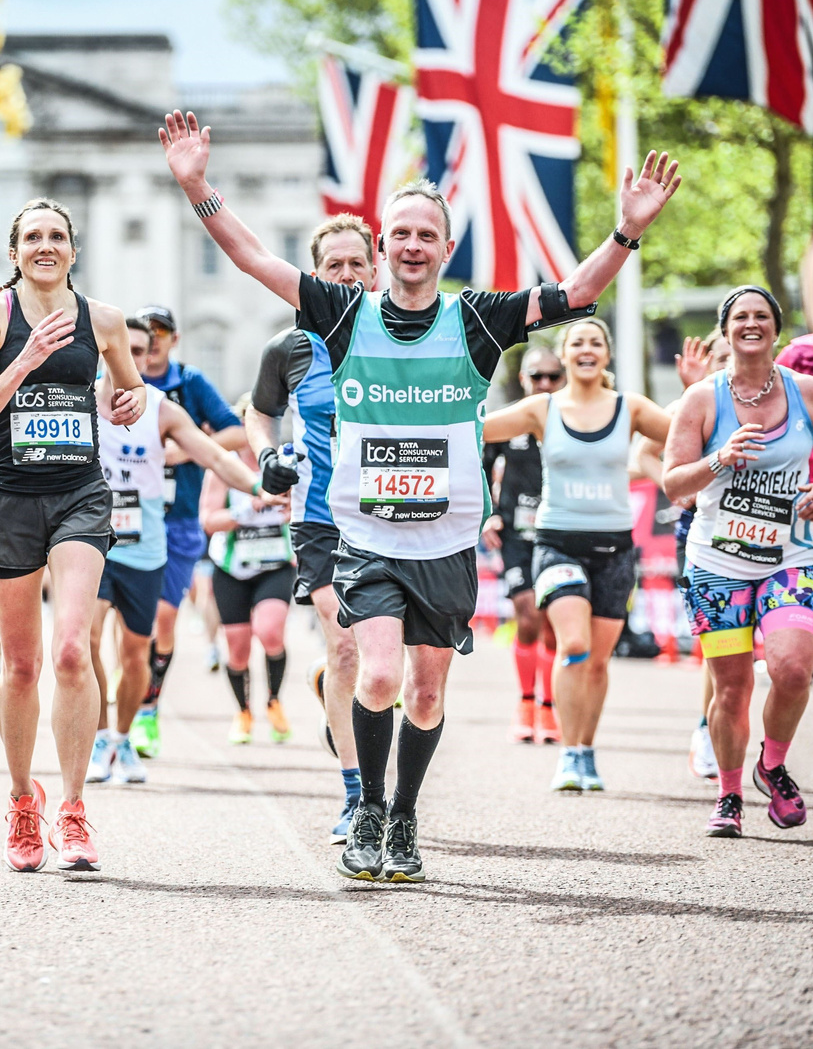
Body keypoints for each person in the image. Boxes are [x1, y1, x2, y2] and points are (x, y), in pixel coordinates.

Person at [159, 107, 680, 881]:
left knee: (427, 692)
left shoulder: (475, 319)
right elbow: (254, 259)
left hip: (445, 541)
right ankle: (367, 806)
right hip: (364, 535)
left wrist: (627, 231)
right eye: (398, 233)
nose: (410, 246)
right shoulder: (341, 314)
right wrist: (198, 186)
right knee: (374, 673)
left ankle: (404, 816)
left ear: (443, 248)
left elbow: (573, 292)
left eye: (424, 235)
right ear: (381, 247)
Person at [0, 198, 146, 873]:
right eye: (33, 236)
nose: (45, 245)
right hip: (9, 498)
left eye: (57, 235)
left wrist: (129, 398)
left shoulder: (104, 320)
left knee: (69, 649)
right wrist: (25, 358)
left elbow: (130, 388)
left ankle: (74, 806)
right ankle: (22, 799)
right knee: (23, 664)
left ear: (73, 248)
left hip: (79, 495)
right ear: (15, 251)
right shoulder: (1, 314)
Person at [484, 319, 670, 792]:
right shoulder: (541, 408)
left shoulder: (632, 408)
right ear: (565, 355)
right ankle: (567, 753)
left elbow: (691, 432)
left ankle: (586, 750)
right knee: (573, 647)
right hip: (557, 542)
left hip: (615, 548)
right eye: (578, 343)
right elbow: (475, 429)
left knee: (598, 663)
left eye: (596, 343)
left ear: (606, 355)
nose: (587, 349)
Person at [86, 321, 273, 785]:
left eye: (138, 351)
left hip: (143, 546)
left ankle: (121, 738)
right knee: (81, 644)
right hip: (89, 540)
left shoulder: (162, 410)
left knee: (135, 653)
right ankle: (96, 736)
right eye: (119, 348)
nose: (126, 358)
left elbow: (214, 454)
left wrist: (259, 487)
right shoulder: (81, 400)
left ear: (150, 357)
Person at [245, 213, 377, 843]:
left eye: (357, 264)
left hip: (397, 514)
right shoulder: (291, 346)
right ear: (316, 276)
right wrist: (267, 455)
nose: (347, 276)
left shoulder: (408, 336)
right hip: (321, 516)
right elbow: (259, 412)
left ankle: (333, 685)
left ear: (375, 269)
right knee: (347, 643)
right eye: (334, 267)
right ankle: (358, 795)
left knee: (385, 663)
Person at [664, 285, 813, 838]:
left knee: (793, 668)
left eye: (762, 316)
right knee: (730, 689)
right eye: (740, 317)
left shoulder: (804, 392)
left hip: (790, 556)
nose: (751, 324)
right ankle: (728, 794)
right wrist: (719, 458)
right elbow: (673, 482)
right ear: (726, 331)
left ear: (777, 328)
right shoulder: (702, 400)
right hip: (717, 563)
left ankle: (771, 765)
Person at [130, 304, 245, 759]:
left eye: (161, 332)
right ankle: (115, 714)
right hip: (122, 516)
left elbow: (235, 433)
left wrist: (185, 451)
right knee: (117, 627)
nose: (153, 339)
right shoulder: (119, 379)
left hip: (176, 518)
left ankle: (147, 709)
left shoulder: (189, 383)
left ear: (174, 339)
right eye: (145, 332)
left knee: (162, 619)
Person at [637, 331, 731, 780]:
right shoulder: (694, 403)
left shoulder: (772, 402)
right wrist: (681, 490)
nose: (729, 363)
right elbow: (643, 456)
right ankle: (707, 726)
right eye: (721, 356)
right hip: (700, 532)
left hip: (762, 534)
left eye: (734, 355)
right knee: (722, 640)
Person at [200, 395, 294, 745]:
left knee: (270, 633)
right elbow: (208, 520)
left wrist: (289, 511)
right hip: (232, 568)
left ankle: (273, 701)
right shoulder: (224, 467)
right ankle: (243, 712)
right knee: (237, 649)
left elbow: (304, 507)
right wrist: (247, 510)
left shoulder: (285, 463)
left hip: (275, 564)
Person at [481, 345, 564, 744]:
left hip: (558, 532)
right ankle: (526, 702)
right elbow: (478, 465)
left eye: (553, 376)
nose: (544, 383)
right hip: (516, 531)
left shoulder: (570, 419)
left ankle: (549, 708)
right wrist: (487, 514)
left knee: (550, 621)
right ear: (523, 379)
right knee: (527, 614)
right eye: (537, 376)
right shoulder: (511, 420)